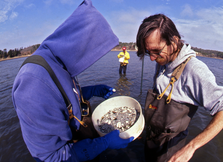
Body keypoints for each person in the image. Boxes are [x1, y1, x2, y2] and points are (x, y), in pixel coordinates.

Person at [12, 1, 133, 162]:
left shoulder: (58, 61)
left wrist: (93, 91)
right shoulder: (32, 87)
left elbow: (63, 98)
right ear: (79, 44)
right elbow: (51, 156)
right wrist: (103, 143)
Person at [136, 14, 223, 162]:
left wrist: (191, 147)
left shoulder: (195, 70)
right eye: (149, 52)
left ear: (174, 41)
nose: (152, 58)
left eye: (156, 51)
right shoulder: (163, 61)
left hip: (170, 148)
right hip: (152, 136)